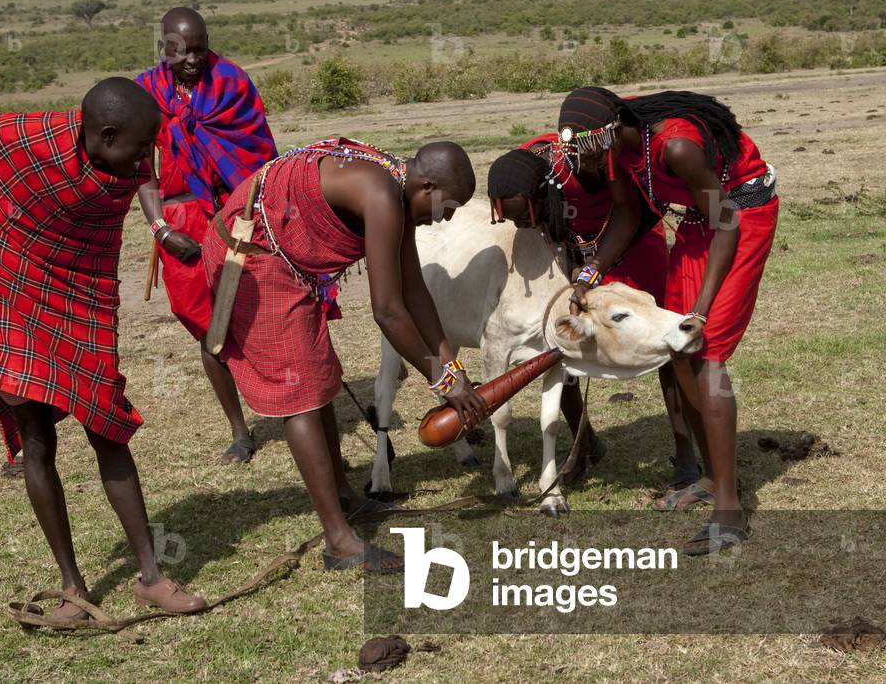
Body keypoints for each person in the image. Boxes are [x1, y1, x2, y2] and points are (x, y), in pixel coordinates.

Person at [0, 78, 207, 619]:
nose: (149, 158)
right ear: (103, 134)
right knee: (38, 438)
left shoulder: (123, 158)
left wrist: (161, 226)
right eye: (141, 146)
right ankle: (73, 587)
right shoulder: (27, 140)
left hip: (76, 299)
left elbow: (147, 176)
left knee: (107, 426)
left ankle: (151, 575)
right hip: (8, 297)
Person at [202, 137, 488, 571]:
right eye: (446, 208)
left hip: (282, 259)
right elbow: (388, 312)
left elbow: (415, 293)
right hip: (253, 258)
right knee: (301, 395)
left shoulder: (399, 186)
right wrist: (443, 382)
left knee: (320, 379)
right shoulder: (382, 195)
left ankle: (344, 499)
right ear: (426, 186)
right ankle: (338, 541)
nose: (443, 220)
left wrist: (452, 367)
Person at [555, 87, 779, 554]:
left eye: (593, 153)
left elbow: (727, 220)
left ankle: (730, 512)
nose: (592, 166)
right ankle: (713, 479)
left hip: (738, 218)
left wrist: (700, 308)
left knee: (706, 350)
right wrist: (592, 270)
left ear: (613, 130)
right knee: (678, 349)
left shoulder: (675, 146)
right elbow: (628, 212)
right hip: (701, 222)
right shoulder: (615, 146)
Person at [486, 134, 696, 492]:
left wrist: (593, 265)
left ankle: (687, 456)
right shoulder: (532, 164)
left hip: (634, 247)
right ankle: (583, 444)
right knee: (563, 345)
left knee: (667, 340)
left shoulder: (610, 159)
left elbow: (636, 211)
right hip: (574, 256)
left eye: (523, 216)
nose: (518, 225)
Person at [136, 7, 279, 464]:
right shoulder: (147, 94)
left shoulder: (232, 84)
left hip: (237, 213)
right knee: (206, 327)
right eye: (182, 52)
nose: (193, 60)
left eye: (200, 48)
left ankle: (292, 404)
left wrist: (249, 216)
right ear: (165, 48)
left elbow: (259, 158)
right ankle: (240, 432)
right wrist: (161, 230)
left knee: (262, 318)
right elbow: (143, 172)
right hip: (179, 223)